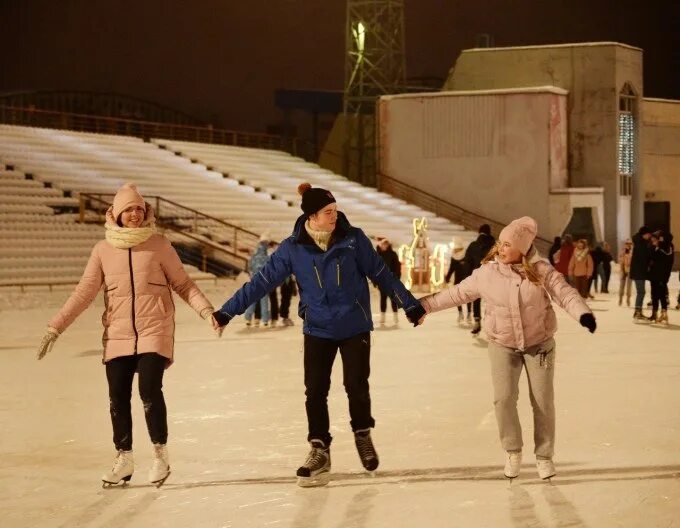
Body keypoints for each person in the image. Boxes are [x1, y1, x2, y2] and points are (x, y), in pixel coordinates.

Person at [212, 183, 425, 487]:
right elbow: (261, 282)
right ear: (312, 216)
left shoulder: (354, 239)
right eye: (328, 212)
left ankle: (362, 433)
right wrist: (227, 312)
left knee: (356, 384)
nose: (335, 215)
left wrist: (410, 304)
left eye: (335, 209)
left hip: (354, 324)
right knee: (315, 390)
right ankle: (319, 448)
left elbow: (381, 274)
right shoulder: (292, 248)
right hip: (318, 327)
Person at [36, 183, 215, 487]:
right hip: (117, 333)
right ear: (116, 214)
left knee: (148, 390)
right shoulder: (103, 250)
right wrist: (56, 325)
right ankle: (125, 458)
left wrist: (206, 311)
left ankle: (160, 455)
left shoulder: (159, 245)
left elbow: (183, 284)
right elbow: (84, 293)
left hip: (155, 328)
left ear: (146, 212)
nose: (134, 214)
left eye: (139, 209)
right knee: (117, 396)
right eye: (128, 209)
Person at [415, 216, 596, 480]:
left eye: (508, 244)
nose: (502, 248)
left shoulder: (541, 270)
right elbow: (457, 293)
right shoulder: (487, 273)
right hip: (502, 344)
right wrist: (424, 306)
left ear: (522, 248)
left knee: (543, 401)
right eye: (501, 242)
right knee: (503, 399)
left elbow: (564, 292)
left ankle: (544, 456)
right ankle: (512, 451)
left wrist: (583, 314)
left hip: (539, 344)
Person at [464, 224, 496, 335]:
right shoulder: (495, 246)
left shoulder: (473, 245)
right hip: (492, 278)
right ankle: (493, 323)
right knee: (493, 301)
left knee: (476, 299)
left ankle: (477, 321)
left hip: (477, 277)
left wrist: (468, 277)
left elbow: (467, 263)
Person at [648, 230, 675, 324]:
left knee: (659, 294)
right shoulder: (665, 247)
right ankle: (658, 313)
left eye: (656, 239)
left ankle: (660, 313)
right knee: (658, 294)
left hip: (659, 275)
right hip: (658, 275)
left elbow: (655, 259)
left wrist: (656, 247)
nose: (653, 241)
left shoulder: (664, 248)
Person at [444, 236, 472, 323]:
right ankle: (461, 313)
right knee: (458, 298)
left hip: (467, 280)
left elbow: (471, 267)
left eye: (457, 249)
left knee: (467, 297)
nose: (456, 250)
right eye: (455, 249)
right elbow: (451, 269)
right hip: (458, 280)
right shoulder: (454, 257)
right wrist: (447, 278)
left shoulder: (467, 256)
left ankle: (468, 314)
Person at [244, 236, 271, 328]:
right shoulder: (267, 258)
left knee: (253, 301)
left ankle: (248, 318)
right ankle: (265, 320)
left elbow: (249, 267)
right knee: (264, 302)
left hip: (255, 281)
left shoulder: (254, 256)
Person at [375, 237, 402, 326]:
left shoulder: (393, 254)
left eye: (385, 244)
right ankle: (382, 317)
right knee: (383, 299)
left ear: (388, 245)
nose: (384, 246)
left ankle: (395, 316)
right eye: (383, 244)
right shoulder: (377, 255)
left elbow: (397, 268)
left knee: (393, 299)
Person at [630, 226, 652, 321]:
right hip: (639, 271)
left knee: (641, 292)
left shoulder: (640, 242)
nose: (650, 236)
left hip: (638, 271)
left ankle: (638, 311)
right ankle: (637, 312)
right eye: (648, 234)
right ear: (644, 234)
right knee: (641, 292)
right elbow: (644, 258)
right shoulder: (641, 244)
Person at [618, 239, 633, 306]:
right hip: (623, 269)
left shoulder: (632, 251)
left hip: (630, 270)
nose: (628, 245)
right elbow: (620, 259)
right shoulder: (622, 251)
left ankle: (628, 299)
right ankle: (620, 298)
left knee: (629, 286)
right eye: (627, 243)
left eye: (630, 243)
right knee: (622, 285)